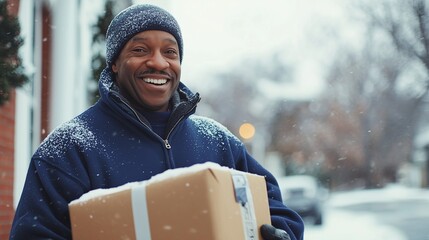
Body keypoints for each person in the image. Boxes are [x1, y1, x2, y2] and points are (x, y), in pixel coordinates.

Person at [10, 4, 304, 240]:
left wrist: (281, 234)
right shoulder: (69, 148)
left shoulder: (217, 141)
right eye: (140, 50)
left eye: (170, 52)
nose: (159, 63)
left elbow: (278, 213)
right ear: (114, 62)